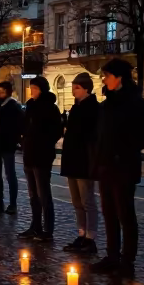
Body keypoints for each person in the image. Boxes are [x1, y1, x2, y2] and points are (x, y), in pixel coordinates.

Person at [90, 58, 144, 278]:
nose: (104, 80)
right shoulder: (107, 103)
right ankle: (112, 256)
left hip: (123, 167)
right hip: (106, 166)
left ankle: (127, 260)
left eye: (107, 76)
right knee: (109, 213)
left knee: (125, 214)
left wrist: (120, 153)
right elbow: (101, 135)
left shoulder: (135, 102)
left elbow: (143, 135)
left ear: (119, 77)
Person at [18, 76, 63, 242]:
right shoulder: (30, 105)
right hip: (29, 154)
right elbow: (24, 126)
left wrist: (43, 143)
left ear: (42, 89)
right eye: (31, 88)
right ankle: (35, 225)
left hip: (42, 155)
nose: (32, 91)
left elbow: (56, 131)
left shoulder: (50, 108)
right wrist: (24, 140)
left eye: (35, 88)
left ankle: (47, 229)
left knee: (43, 193)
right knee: (32, 194)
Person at [59, 72, 99, 255]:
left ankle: (90, 237)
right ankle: (81, 233)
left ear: (86, 89)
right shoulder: (75, 108)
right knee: (77, 201)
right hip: (72, 160)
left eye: (77, 87)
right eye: (73, 87)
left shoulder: (93, 109)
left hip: (84, 161)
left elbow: (91, 137)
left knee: (87, 200)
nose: (73, 90)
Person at [0, 81, 23, 215]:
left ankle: (13, 204)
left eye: (2, 92)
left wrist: (14, 140)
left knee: (10, 174)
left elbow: (18, 126)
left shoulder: (14, 107)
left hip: (8, 145)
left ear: (8, 93)